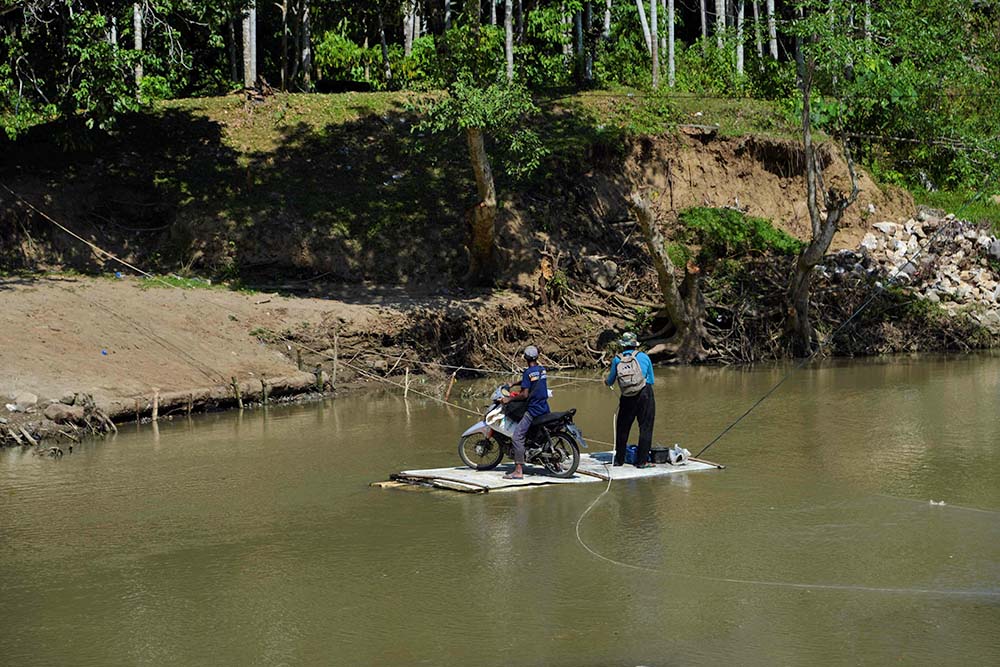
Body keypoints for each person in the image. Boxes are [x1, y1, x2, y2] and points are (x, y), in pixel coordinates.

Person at [605, 332, 656, 468]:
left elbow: (610, 381)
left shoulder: (617, 359)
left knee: (622, 428)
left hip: (627, 397)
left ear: (623, 345)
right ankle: (642, 461)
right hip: (644, 394)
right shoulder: (644, 357)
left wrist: (606, 382)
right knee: (645, 427)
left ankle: (619, 460)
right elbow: (651, 379)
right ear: (635, 344)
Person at [499, 345, 550, 479]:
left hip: (533, 409)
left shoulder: (528, 372)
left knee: (517, 436)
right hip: (544, 407)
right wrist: (514, 384)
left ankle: (518, 471)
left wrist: (509, 399)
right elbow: (530, 380)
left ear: (525, 358)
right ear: (537, 357)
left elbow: (525, 395)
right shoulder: (542, 370)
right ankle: (554, 464)